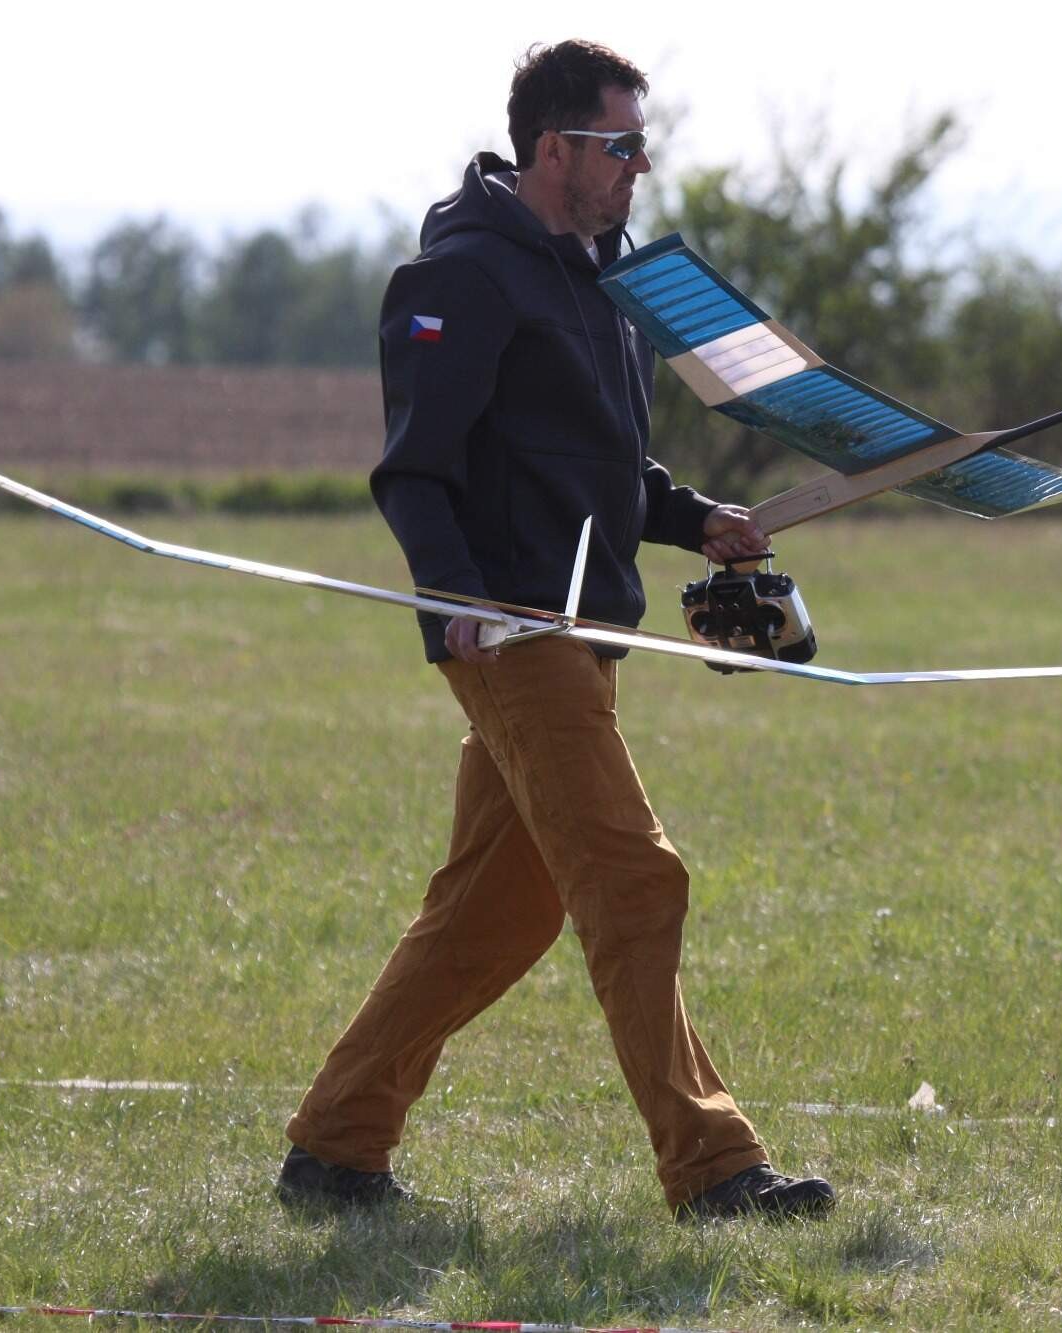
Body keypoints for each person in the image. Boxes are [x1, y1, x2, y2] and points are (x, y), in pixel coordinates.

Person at [275, 39, 834, 1222]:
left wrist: (696, 519)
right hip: (513, 633)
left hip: (588, 633)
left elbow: (605, 467)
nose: (639, 167)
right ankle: (714, 1168)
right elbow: (414, 470)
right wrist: (454, 599)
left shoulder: (604, 284)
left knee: (500, 907)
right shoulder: (463, 278)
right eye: (619, 145)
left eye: (641, 145)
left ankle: (334, 1148)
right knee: (636, 878)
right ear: (552, 149)